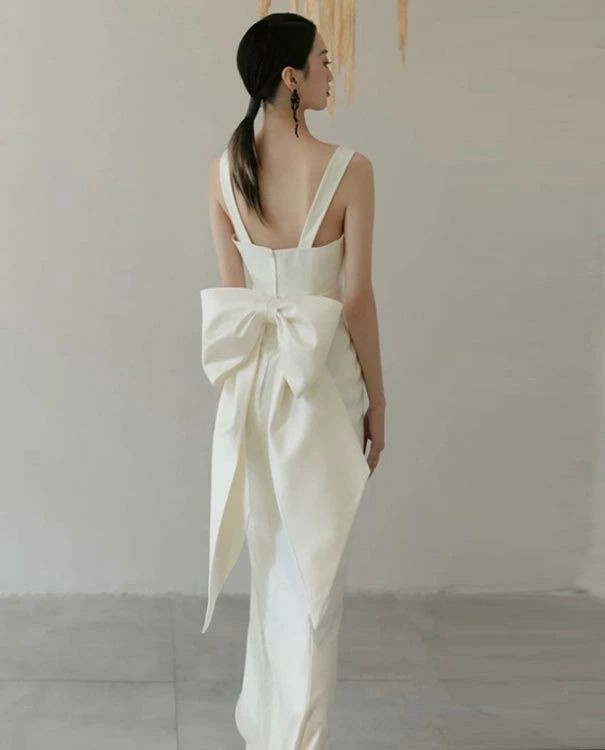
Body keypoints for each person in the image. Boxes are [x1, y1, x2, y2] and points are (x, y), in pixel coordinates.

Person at [199, 11, 386, 749]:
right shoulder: (351, 169)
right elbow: (357, 300)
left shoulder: (223, 171)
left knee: (275, 565)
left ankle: (269, 732)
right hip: (322, 386)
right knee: (316, 576)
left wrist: (232, 400)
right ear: (291, 78)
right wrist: (380, 403)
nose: (331, 72)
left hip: (253, 387)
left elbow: (234, 297)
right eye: (324, 61)